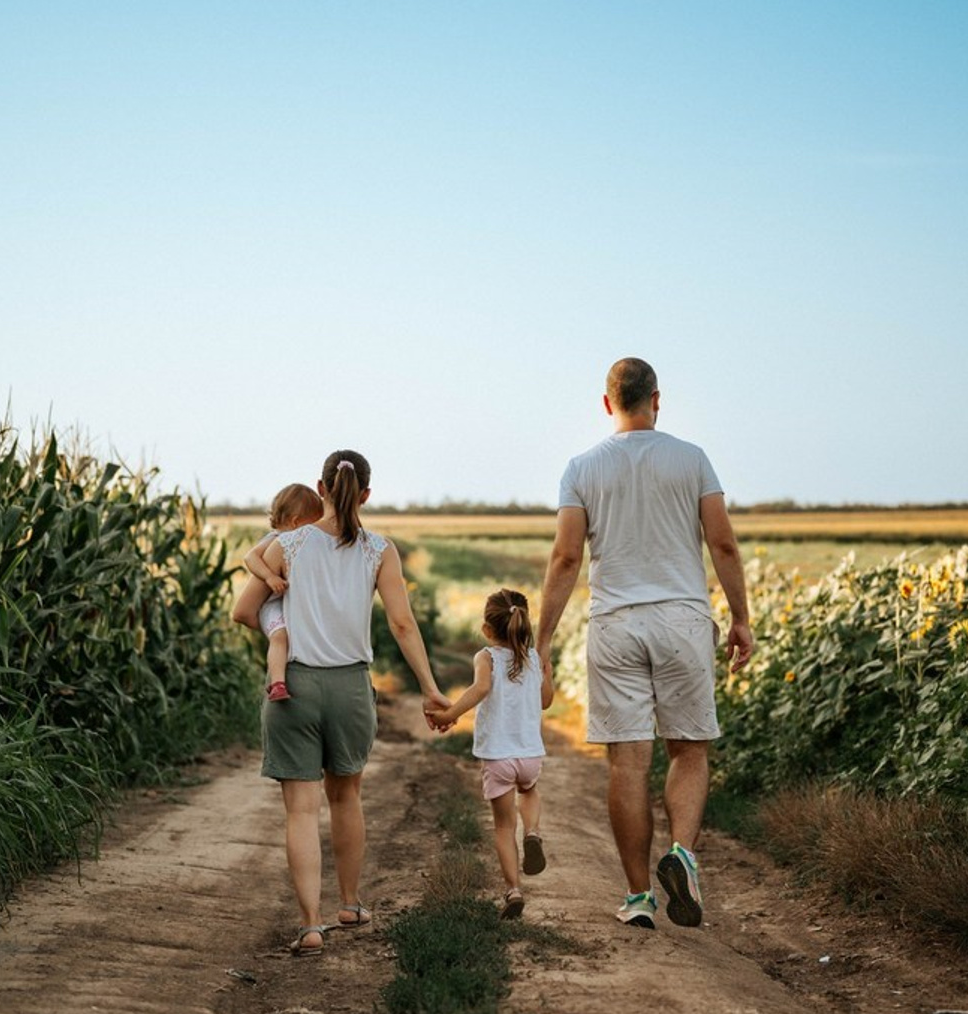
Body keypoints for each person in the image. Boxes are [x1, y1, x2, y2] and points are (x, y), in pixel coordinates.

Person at [534, 358, 754, 930]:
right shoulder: (693, 459)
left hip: (616, 625)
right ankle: (681, 854)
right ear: (657, 399)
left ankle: (637, 898)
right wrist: (740, 618)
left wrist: (542, 640)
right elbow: (722, 544)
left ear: (607, 404)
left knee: (627, 765)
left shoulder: (582, 468)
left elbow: (565, 557)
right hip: (682, 620)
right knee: (689, 749)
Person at [232, 450, 450, 956]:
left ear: (321, 488)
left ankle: (311, 924)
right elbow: (401, 624)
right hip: (351, 688)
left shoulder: (287, 544)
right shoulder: (381, 550)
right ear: (367, 495)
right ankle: (350, 904)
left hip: (296, 690)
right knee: (346, 798)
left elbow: (244, 611)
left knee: (300, 813)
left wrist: (278, 617)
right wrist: (430, 686)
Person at [429, 588, 554, 920]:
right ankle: (533, 832)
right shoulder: (535, 658)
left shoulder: (485, 657)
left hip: (498, 756)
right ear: (525, 624)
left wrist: (450, 714)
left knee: (501, 826)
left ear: (487, 629)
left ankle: (513, 890)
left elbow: (481, 688)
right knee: (529, 790)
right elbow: (545, 701)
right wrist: (547, 668)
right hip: (529, 755)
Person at [241, 483, 325, 701]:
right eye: (313, 524)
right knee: (280, 637)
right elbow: (250, 557)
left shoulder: (295, 546)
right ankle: (277, 683)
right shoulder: (276, 539)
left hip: (280, 602)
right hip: (270, 604)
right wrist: (269, 577)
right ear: (296, 522)